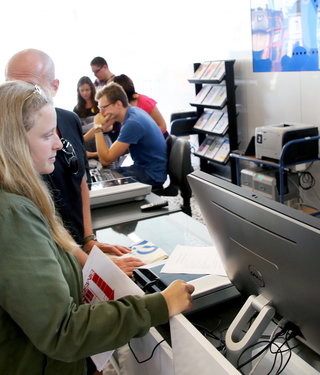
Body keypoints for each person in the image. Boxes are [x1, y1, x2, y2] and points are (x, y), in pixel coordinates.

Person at [0, 80, 195, 375]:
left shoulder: (19, 200)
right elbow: (63, 331)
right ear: (13, 142)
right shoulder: (12, 215)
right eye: (46, 135)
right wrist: (159, 305)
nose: (57, 144)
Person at [5, 49, 142, 275]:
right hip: (50, 254)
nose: (19, 94)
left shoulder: (69, 120)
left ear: (54, 86)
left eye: (29, 86)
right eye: (12, 85)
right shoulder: (11, 138)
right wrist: (86, 260)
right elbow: (40, 212)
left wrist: (88, 239)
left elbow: (80, 180)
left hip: (78, 242)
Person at [93, 82, 168, 190]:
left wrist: (97, 127)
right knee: (106, 175)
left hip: (151, 176)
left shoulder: (133, 123)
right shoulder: (133, 112)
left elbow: (106, 160)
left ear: (118, 104)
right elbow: (115, 151)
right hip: (145, 169)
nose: (101, 113)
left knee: (106, 186)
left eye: (103, 107)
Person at [113, 74, 169, 138]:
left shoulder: (145, 101)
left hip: (159, 138)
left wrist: (142, 136)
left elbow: (163, 126)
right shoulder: (120, 105)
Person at [74, 76, 99, 157]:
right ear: (78, 91)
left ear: (92, 89)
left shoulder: (99, 104)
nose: (85, 93)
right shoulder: (77, 109)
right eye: (82, 90)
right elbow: (77, 129)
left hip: (100, 138)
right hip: (85, 142)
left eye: (87, 90)